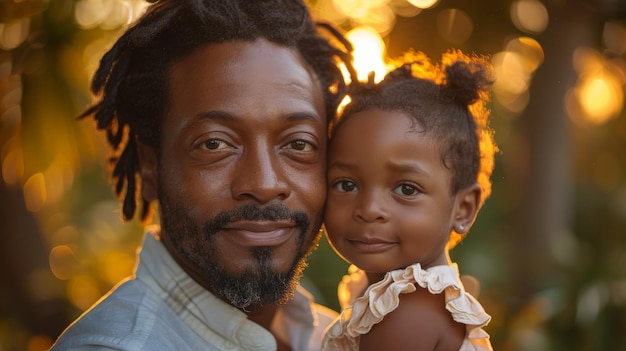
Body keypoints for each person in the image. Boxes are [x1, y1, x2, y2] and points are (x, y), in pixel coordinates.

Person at [51, 0, 355, 350]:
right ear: (151, 165)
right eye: (214, 144)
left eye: (299, 144)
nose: (264, 184)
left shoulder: (338, 338)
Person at [321, 50, 495, 351]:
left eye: (406, 189)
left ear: (463, 208)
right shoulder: (387, 298)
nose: (369, 209)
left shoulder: (410, 313)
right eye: (346, 184)